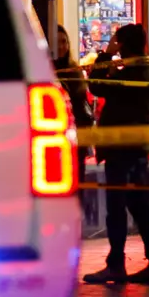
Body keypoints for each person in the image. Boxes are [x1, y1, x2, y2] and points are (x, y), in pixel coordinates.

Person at [82, 24, 149, 285]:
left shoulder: (136, 73)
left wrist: (106, 55)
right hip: (135, 149)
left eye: (117, 41)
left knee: (119, 209)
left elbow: (98, 87)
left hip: (123, 150)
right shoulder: (143, 69)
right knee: (140, 208)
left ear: (123, 44)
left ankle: (117, 265)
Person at [53, 25, 94, 182]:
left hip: (76, 136)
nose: (62, 46)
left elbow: (81, 102)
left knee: (77, 182)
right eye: (56, 43)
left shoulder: (74, 69)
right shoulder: (45, 70)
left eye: (64, 41)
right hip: (56, 138)